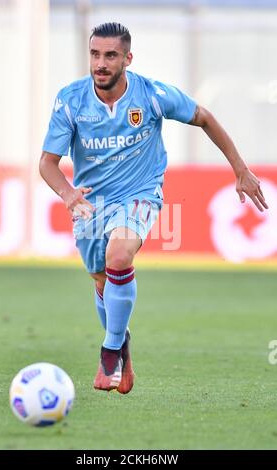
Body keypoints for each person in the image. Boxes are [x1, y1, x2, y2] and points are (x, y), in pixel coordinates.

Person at [39, 22, 268, 394]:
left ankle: (110, 350)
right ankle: (122, 341)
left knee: (119, 252)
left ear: (128, 59)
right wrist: (67, 195)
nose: (101, 63)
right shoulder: (71, 100)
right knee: (100, 277)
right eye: (95, 54)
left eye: (110, 55)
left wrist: (240, 170)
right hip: (90, 203)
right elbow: (47, 163)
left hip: (139, 193)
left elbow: (204, 117)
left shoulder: (151, 95)